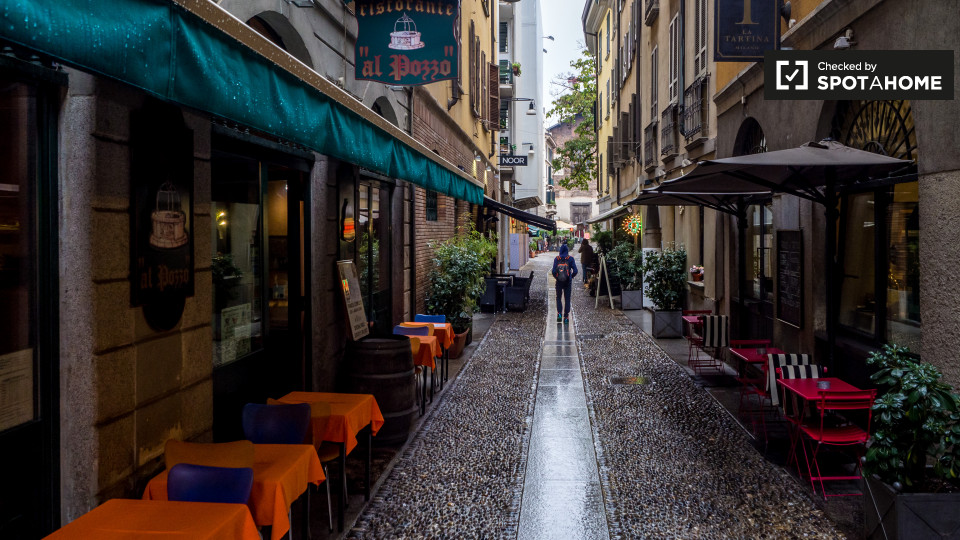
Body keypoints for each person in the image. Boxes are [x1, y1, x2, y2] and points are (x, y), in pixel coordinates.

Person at [552, 243, 579, 324]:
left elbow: (553, 271)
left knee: (558, 297)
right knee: (567, 299)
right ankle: (566, 317)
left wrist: (557, 278)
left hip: (559, 282)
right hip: (568, 282)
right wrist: (570, 277)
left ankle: (559, 314)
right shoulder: (570, 259)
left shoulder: (557, 259)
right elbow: (576, 271)